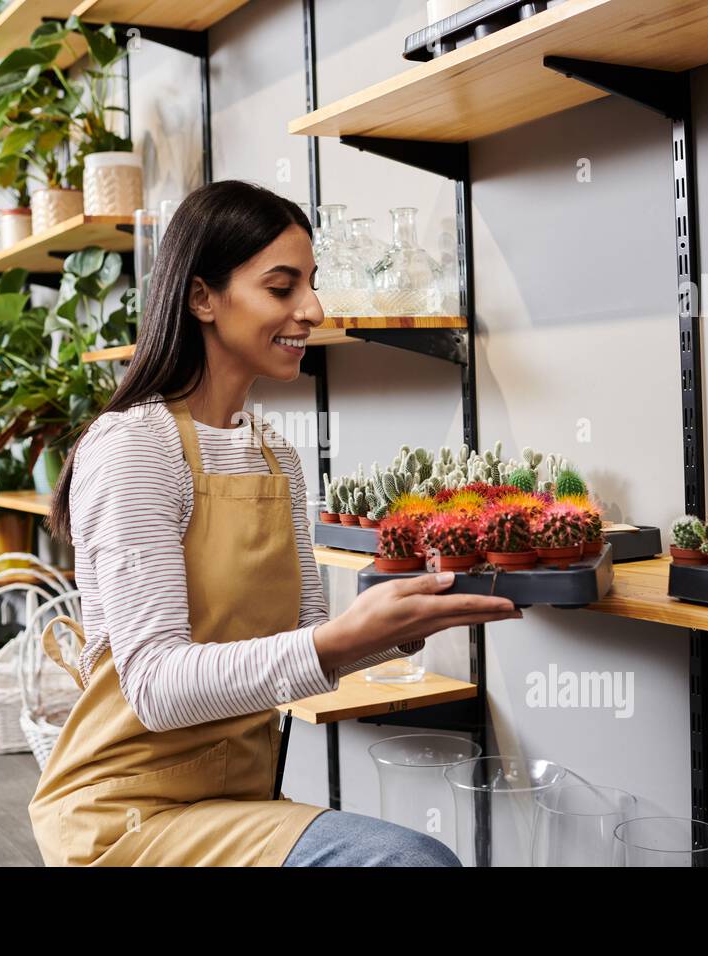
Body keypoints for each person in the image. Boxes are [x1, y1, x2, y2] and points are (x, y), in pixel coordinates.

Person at [28, 180, 520, 866]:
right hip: (127, 818)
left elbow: (301, 640)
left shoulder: (275, 455)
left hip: (235, 801)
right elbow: (155, 688)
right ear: (202, 297)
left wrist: (404, 622)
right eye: (281, 287)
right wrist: (338, 640)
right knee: (411, 861)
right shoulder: (134, 446)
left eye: (311, 284)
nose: (313, 310)